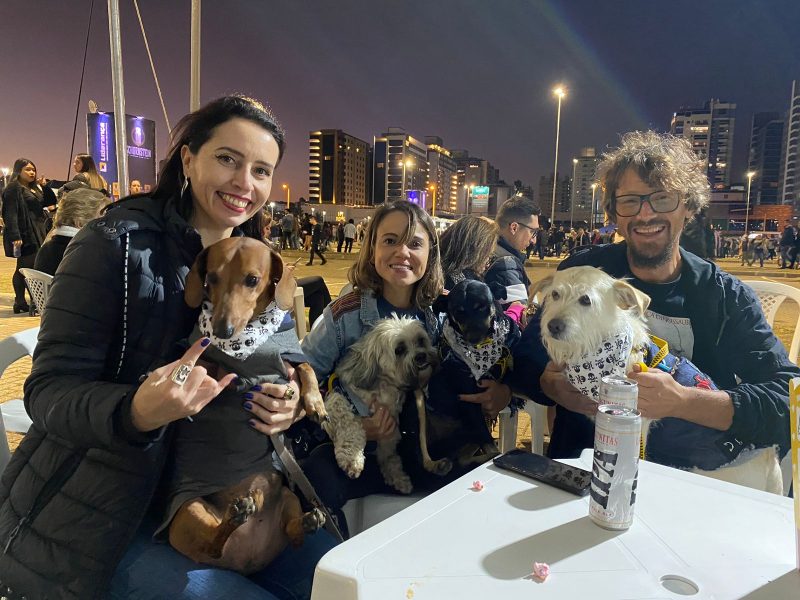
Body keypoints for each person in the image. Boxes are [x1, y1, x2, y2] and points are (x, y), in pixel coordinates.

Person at [0, 96, 336, 599]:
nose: (245, 182)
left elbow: (283, 365)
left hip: (226, 491)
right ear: (187, 159)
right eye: (228, 159)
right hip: (103, 512)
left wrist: (284, 405)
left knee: (339, 577)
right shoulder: (113, 243)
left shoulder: (255, 263)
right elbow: (46, 393)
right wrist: (134, 410)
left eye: (261, 170)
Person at [513, 131, 797, 483]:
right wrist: (548, 385)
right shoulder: (583, 272)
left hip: (693, 482)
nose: (645, 214)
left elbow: (788, 401)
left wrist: (683, 400)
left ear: (689, 207)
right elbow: (524, 357)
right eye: (630, 201)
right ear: (615, 213)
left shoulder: (724, 296)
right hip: (585, 471)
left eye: (662, 198)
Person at [298, 200, 443, 537]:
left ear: (430, 253)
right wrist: (352, 426)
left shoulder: (440, 315)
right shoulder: (343, 315)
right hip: (344, 448)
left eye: (415, 243)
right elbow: (300, 374)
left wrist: (502, 391)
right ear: (372, 247)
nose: (401, 252)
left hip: (414, 449)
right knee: (315, 485)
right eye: (390, 240)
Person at [1, 158, 49, 313]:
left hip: (37, 231)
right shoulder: (13, 188)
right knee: (28, 267)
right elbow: (10, 213)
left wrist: (45, 187)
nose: (32, 172)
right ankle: (31, 301)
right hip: (25, 233)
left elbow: (47, 203)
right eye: (28, 169)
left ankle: (20, 302)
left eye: (33, 169)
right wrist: (15, 236)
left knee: (23, 267)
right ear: (18, 171)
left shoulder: (33, 188)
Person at [483, 194, 540, 324]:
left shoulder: (487, 248)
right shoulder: (505, 264)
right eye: (533, 232)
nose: (534, 240)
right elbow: (525, 318)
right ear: (514, 227)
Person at [34, 187, 110, 275]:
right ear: (80, 221)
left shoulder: (46, 247)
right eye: (102, 217)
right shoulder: (87, 253)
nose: (106, 222)